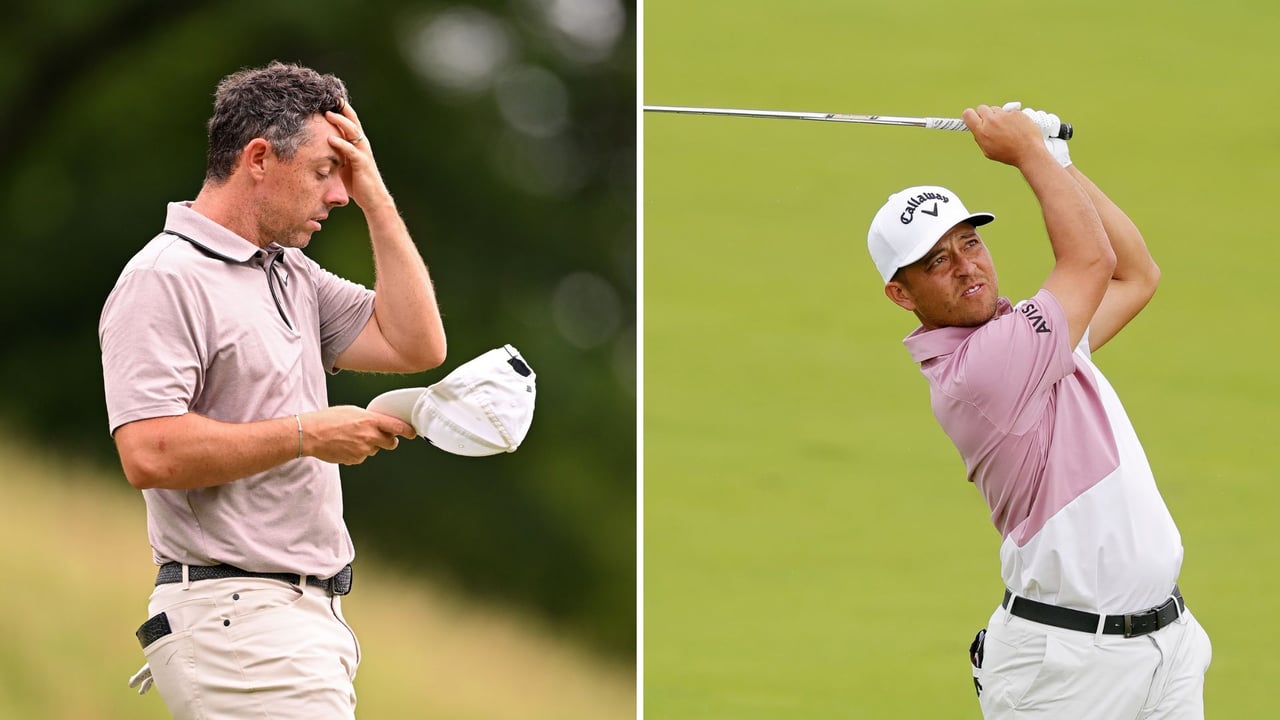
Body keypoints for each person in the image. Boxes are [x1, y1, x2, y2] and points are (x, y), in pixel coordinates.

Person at [99, 61, 446, 719]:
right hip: (238, 622)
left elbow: (415, 344)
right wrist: (308, 434)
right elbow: (148, 452)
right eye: (324, 172)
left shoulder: (291, 274)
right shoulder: (164, 278)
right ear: (258, 159)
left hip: (294, 623)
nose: (338, 195)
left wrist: (376, 197)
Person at [866, 102, 1211, 718]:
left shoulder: (1031, 337)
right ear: (900, 293)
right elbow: (1091, 263)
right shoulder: (982, 368)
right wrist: (1027, 154)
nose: (967, 266)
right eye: (936, 261)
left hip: (1167, 645)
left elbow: (1135, 276)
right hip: (1067, 670)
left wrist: (1060, 162)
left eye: (970, 242)